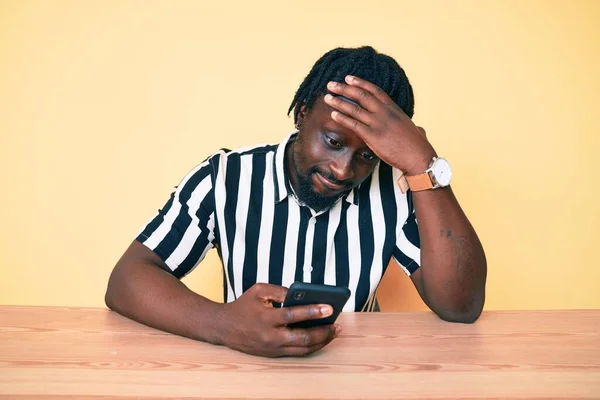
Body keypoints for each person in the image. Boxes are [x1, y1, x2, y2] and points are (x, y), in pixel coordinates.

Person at [105, 46, 487, 357]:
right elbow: (128, 278)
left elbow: (461, 305)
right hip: (248, 372)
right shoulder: (225, 177)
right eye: (334, 142)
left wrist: (425, 164)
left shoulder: (401, 188)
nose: (342, 170)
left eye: (367, 155)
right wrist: (223, 325)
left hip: (358, 377)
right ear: (303, 114)